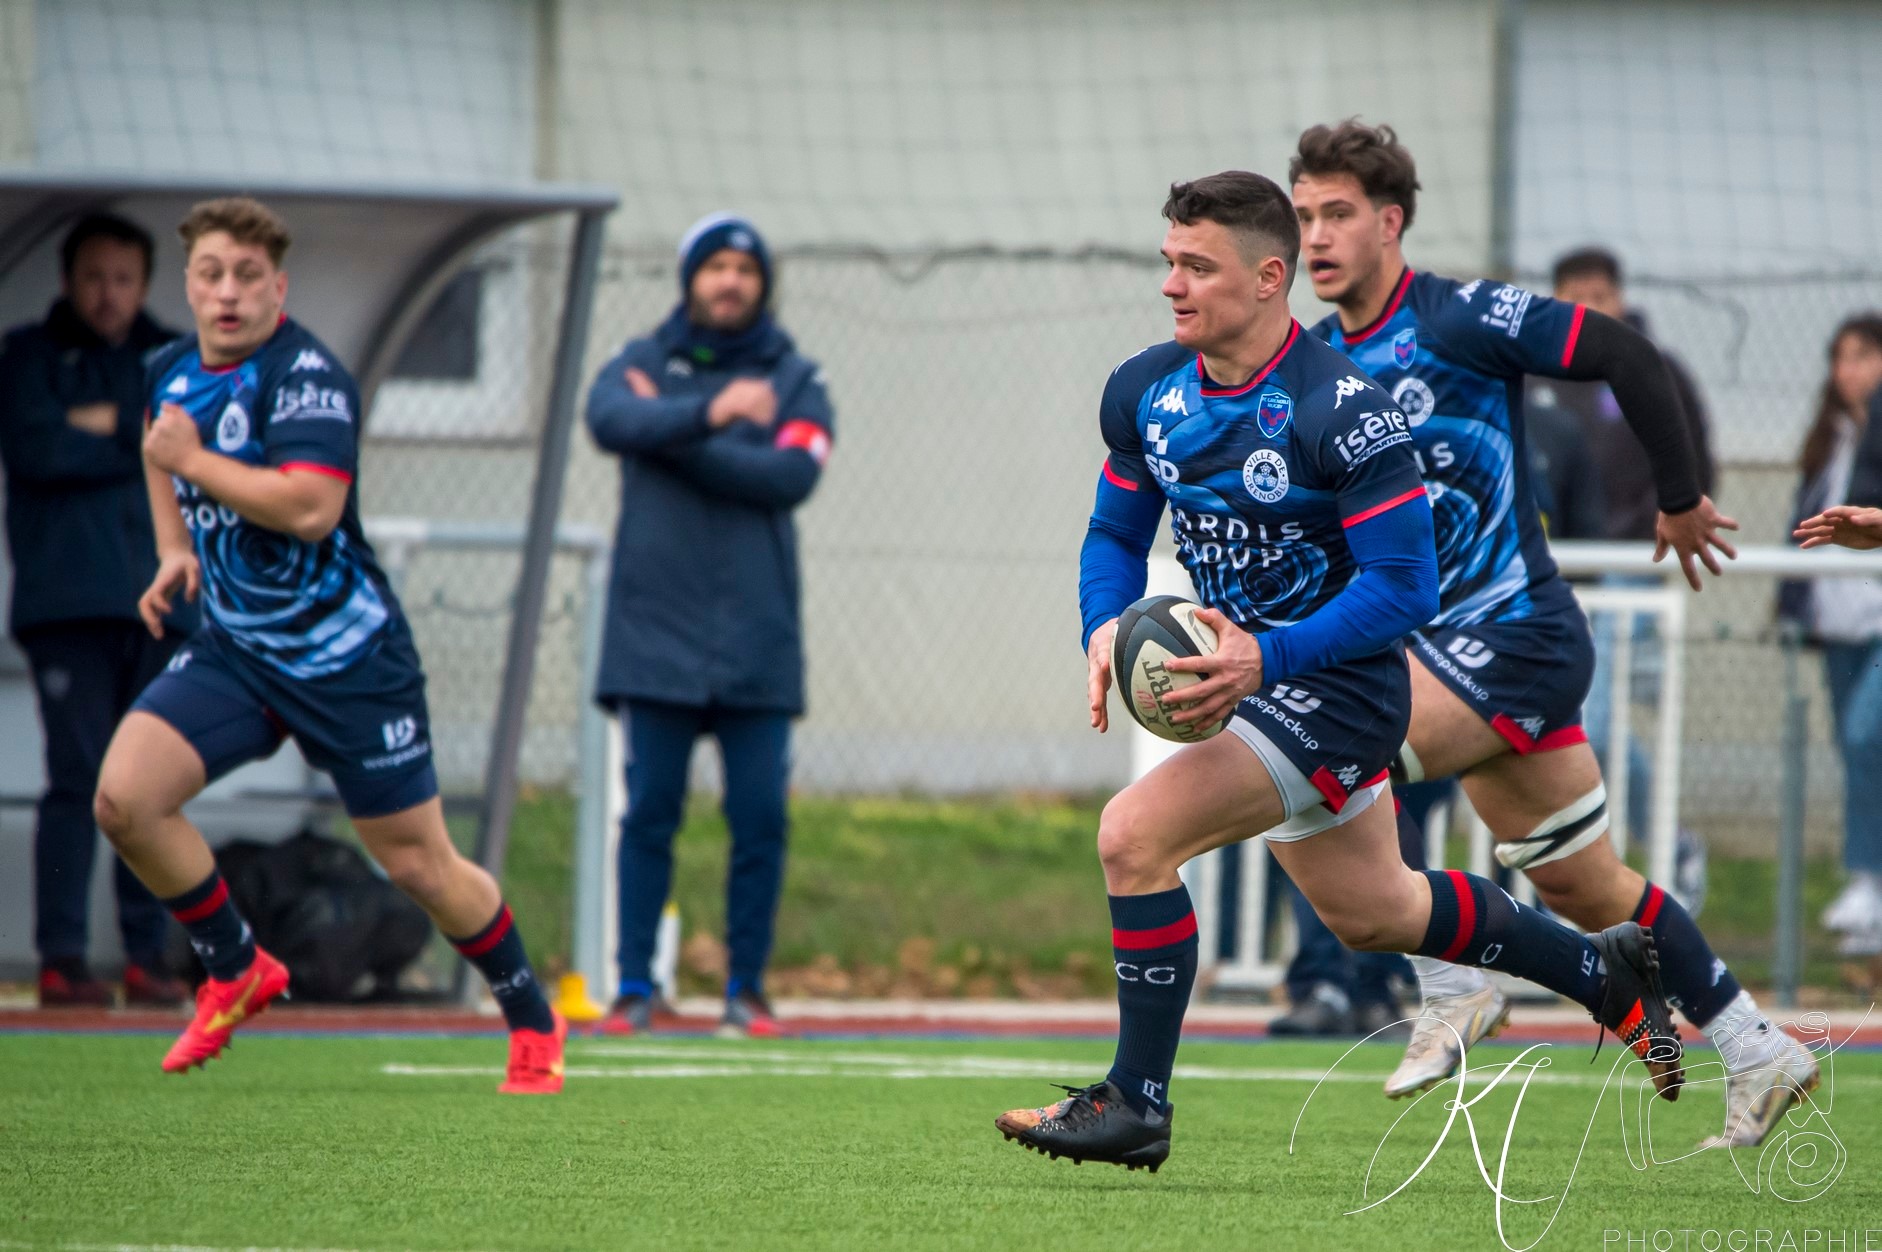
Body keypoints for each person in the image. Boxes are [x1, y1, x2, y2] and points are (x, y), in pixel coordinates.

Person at [993, 171, 1683, 1174]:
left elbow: (1405, 590)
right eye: (1167, 263)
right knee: (1378, 911)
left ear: (1269, 278)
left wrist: (1260, 657)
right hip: (1259, 681)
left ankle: (1135, 1103)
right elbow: (1112, 529)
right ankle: (1603, 969)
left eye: (1197, 266)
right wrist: (1102, 627)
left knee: (1131, 835)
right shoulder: (1146, 391)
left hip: (1342, 688)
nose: (1172, 286)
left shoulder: (1341, 410)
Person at [1292, 120, 1815, 1150]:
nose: (1315, 235)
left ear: (1390, 221)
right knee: (1586, 886)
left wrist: (1676, 496)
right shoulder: (1313, 363)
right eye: (1303, 215)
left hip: (1514, 634)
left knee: (1339, 740)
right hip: (1442, 655)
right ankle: (1758, 1050)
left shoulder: (1457, 316)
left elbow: (1620, 349)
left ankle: (1453, 983)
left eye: (1337, 213)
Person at [90, 197, 563, 1092]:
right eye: (211, 274)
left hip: (349, 662)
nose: (228, 294)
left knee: (417, 863)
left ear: (279, 286)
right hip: (239, 652)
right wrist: (173, 550)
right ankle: (235, 967)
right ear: (188, 283)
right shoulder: (167, 368)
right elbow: (161, 447)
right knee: (125, 801)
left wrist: (193, 465)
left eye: (247, 276)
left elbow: (311, 510)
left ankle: (530, 1011)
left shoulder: (306, 374)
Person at [584, 213, 833, 1039]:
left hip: (758, 638)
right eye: (714, 266)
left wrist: (675, 432)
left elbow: (790, 473)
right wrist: (716, 411)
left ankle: (746, 988)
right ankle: (632, 988)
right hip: (652, 635)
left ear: (763, 283)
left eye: (745, 268)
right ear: (690, 278)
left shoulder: (797, 377)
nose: (730, 281)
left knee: (759, 818)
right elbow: (606, 419)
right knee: (649, 813)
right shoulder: (639, 360)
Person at [0, 214, 190, 1008]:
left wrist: (104, 427)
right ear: (68, 281)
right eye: (93, 278)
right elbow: (36, 447)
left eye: (123, 279)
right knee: (76, 780)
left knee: (149, 789)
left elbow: (187, 446)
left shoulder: (175, 358)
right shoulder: (26, 355)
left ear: (144, 285)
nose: (108, 295)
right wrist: (129, 433)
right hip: (66, 605)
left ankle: (148, 956)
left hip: (161, 609)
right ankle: (63, 957)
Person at [1534, 248, 1715, 908]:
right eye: (1574, 295)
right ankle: (1607, 857)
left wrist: (1665, 540)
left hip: (1631, 570)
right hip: (1551, 577)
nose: (1590, 308)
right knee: (1568, 719)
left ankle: (1658, 843)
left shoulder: (1653, 371)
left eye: (1600, 295)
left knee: (1596, 716)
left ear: (1621, 297)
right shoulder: (1533, 378)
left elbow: (1693, 470)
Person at [1786, 315, 1882, 955]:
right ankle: (1867, 888)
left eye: (1863, 356)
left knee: (1864, 732)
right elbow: (1804, 526)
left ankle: (1870, 882)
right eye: (1840, 357)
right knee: (1857, 755)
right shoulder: (1830, 439)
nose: (1849, 370)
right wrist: (1792, 602)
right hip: (1839, 620)